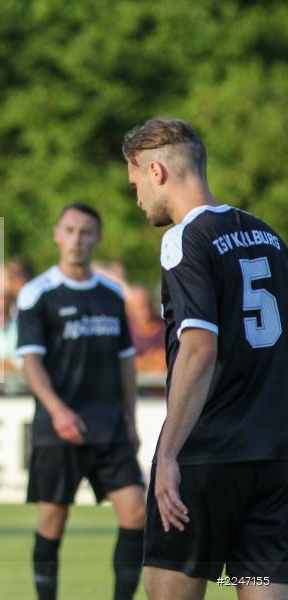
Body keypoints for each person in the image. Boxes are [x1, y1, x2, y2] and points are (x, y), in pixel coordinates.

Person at [123, 117, 288, 599]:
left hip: (206, 459)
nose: (136, 198)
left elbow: (199, 348)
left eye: (134, 183)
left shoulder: (184, 238)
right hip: (273, 460)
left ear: (157, 172)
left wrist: (168, 454)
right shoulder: (269, 237)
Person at [16, 203, 145, 600]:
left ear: (98, 239)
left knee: (137, 513)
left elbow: (127, 365)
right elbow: (30, 363)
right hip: (59, 429)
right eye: (70, 230)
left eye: (86, 232)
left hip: (109, 427)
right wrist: (57, 410)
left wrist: (131, 421)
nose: (77, 239)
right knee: (53, 520)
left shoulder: (111, 295)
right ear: (57, 234)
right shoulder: (37, 293)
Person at [124, 285, 166, 373]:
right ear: (129, 309)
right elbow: (123, 362)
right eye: (141, 306)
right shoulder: (124, 330)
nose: (146, 309)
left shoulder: (165, 326)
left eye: (148, 303)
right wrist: (148, 360)